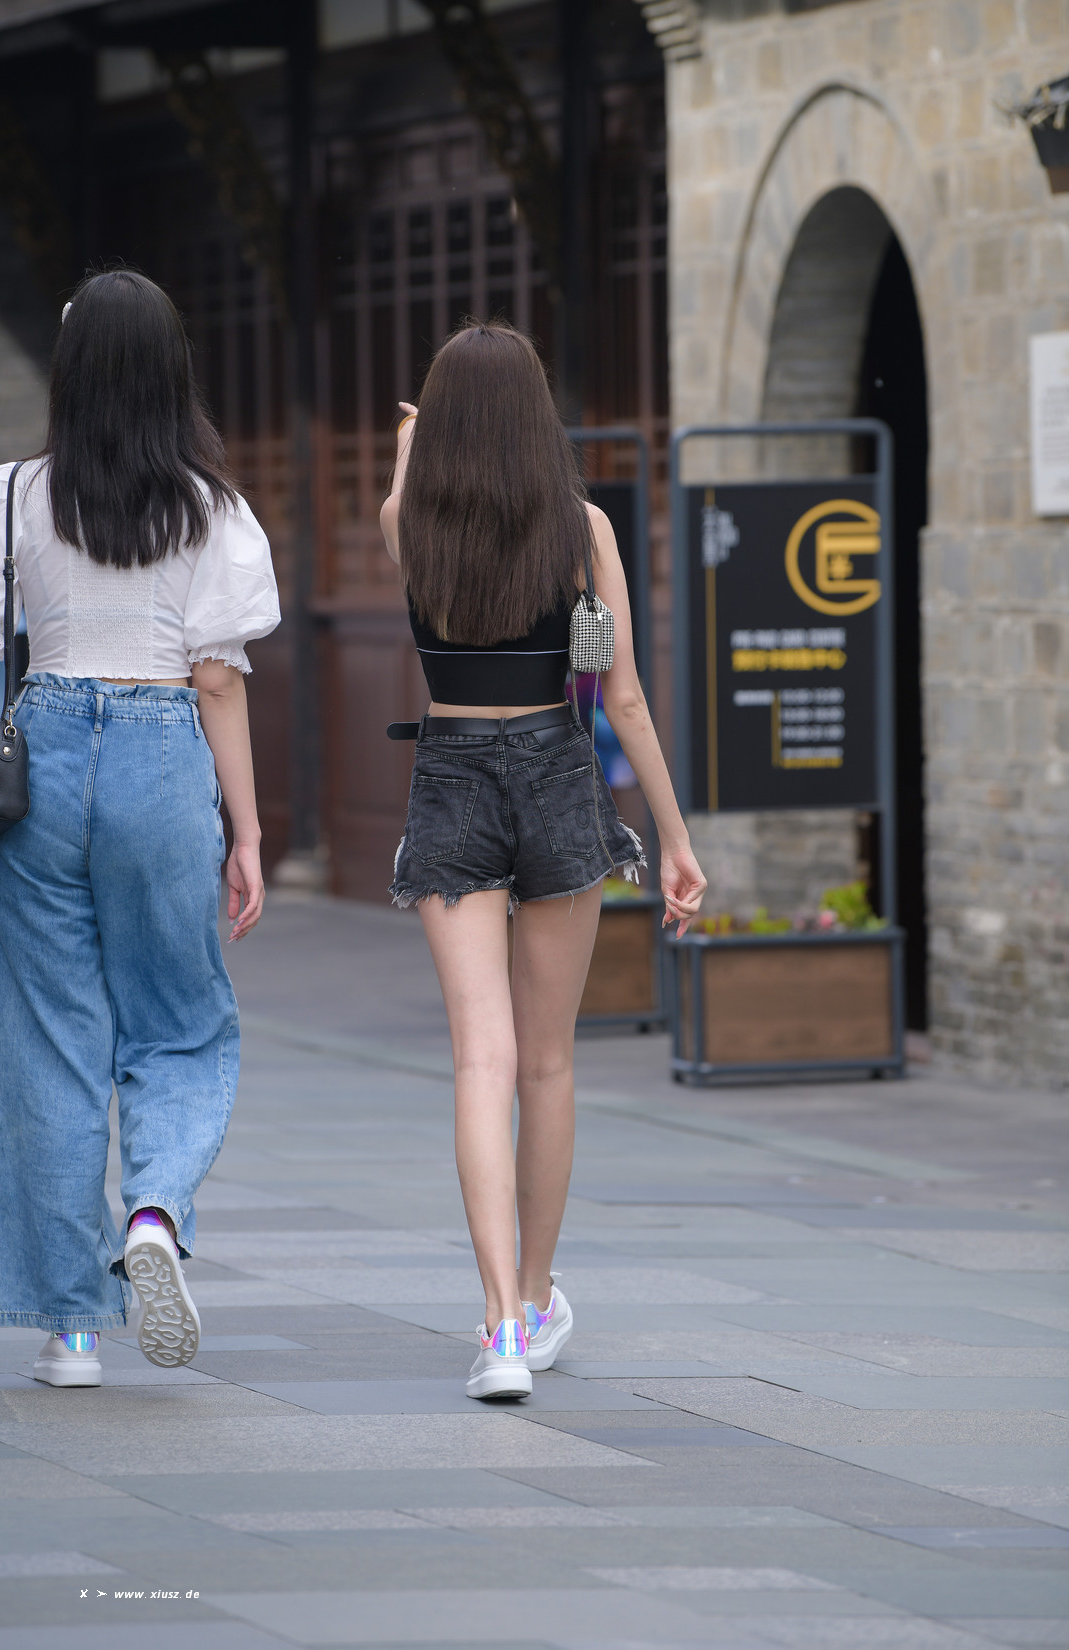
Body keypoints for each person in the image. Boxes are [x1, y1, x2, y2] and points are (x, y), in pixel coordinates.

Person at [380, 320, 706, 1399]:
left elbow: (403, 494)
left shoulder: (408, 522)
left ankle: (498, 1331)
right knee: (546, 1064)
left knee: (480, 1061)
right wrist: (673, 838)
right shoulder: (582, 529)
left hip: (452, 773)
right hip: (557, 771)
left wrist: (411, 449)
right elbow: (623, 698)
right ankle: (532, 1294)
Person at [0, 270, 280, 1387]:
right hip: (162, 752)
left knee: (48, 1041)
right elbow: (218, 682)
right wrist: (246, 831)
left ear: (68, 373)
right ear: (170, 372)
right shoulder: (212, 511)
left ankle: (69, 1330)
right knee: (180, 1023)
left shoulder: (11, 495)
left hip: (41, 757)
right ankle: (153, 1210)